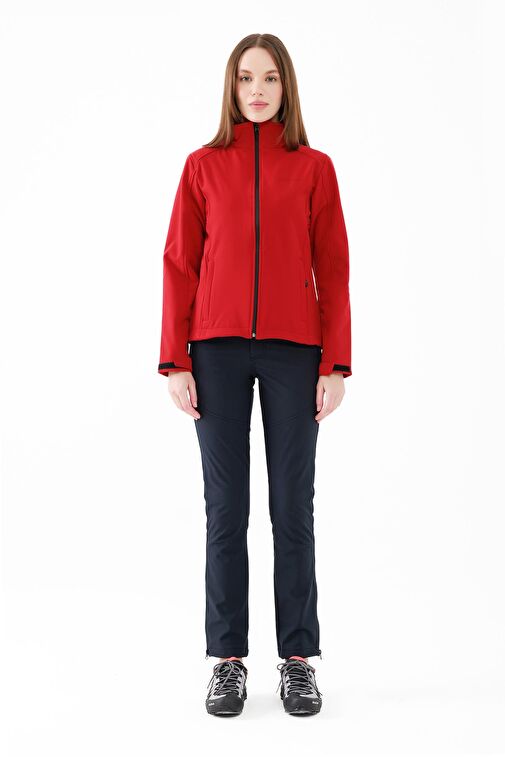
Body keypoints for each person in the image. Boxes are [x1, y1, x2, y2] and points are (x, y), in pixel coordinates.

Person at [157, 33, 351, 717]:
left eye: (269, 78)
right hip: (214, 349)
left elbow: (333, 267)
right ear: (231, 87)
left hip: (295, 350)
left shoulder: (315, 168)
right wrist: (174, 358)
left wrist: (335, 362)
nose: (258, 90)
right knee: (225, 509)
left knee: (292, 506)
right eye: (246, 78)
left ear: (286, 86)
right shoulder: (202, 166)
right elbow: (179, 261)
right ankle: (228, 660)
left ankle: (298, 660)